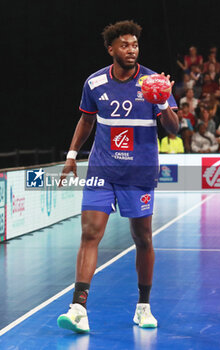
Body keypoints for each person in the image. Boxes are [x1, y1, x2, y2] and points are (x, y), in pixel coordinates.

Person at [57, 20, 178, 333]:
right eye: (125, 45)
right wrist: (71, 156)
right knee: (90, 232)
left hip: (139, 172)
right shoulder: (95, 83)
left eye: (135, 45)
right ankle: (78, 307)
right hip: (102, 169)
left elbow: (175, 127)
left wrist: (162, 101)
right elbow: (86, 121)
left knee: (143, 238)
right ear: (111, 49)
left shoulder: (153, 82)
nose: (132, 50)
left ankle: (143, 307)